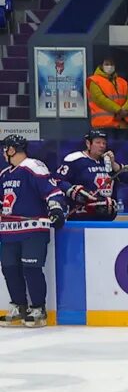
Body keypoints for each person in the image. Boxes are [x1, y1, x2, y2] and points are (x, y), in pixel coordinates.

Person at [0, 135, 66, 327]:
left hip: (33, 229)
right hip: (8, 230)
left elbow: (52, 190)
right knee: (9, 269)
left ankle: (38, 309)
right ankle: (19, 306)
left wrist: (55, 208)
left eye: (5, 149)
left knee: (31, 268)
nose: (4, 152)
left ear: (12, 150)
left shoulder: (33, 166)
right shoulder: (5, 174)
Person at [54, 129, 120, 221]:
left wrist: (114, 165)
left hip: (105, 220)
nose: (102, 146)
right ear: (88, 143)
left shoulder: (108, 162)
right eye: (98, 142)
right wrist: (74, 191)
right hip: (80, 219)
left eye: (104, 143)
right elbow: (57, 181)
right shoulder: (74, 159)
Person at [87, 55, 128, 135]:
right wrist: (119, 110)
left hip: (122, 124)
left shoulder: (122, 81)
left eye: (112, 64)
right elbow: (100, 99)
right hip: (103, 125)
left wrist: (125, 110)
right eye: (107, 64)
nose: (110, 66)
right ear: (101, 65)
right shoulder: (94, 80)